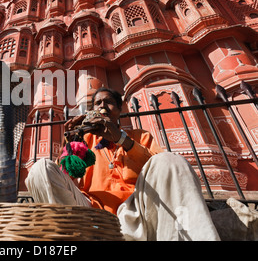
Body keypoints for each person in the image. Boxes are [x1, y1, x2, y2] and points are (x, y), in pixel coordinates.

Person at [26, 87, 220, 241]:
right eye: (97, 103)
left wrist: (122, 140)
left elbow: (162, 171)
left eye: (108, 102)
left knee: (170, 160)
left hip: (139, 210)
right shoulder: (85, 141)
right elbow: (67, 176)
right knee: (40, 169)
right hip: (92, 215)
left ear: (120, 109)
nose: (102, 106)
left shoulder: (140, 137)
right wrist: (71, 141)